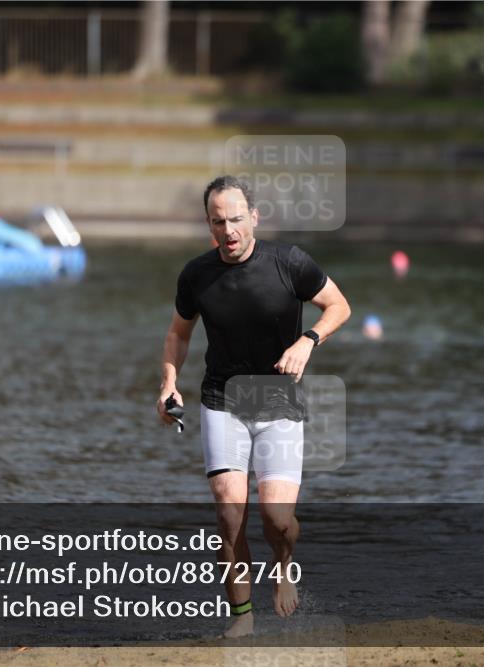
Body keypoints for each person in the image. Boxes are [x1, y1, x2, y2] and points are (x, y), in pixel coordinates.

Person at [156, 175, 351, 637]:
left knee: (278, 521)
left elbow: (339, 306)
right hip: (222, 400)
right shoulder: (197, 274)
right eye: (219, 221)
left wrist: (308, 340)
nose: (229, 231)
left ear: (254, 218)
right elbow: (177, 335)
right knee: (229, 512)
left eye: (237, 219)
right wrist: (169, 384)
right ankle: (241, 619)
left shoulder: (289, 263)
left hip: (279, 402)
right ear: (209, 224)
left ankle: (283, 567)